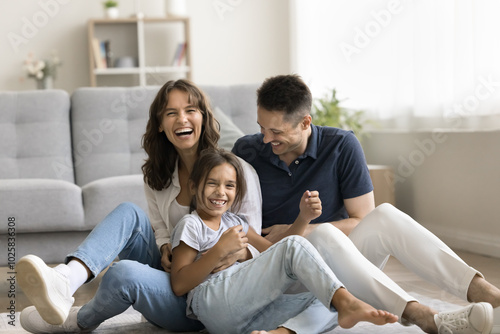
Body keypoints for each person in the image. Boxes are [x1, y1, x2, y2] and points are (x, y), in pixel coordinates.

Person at [233, 74, 499, 334]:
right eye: (261, 128)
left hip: (340, 265)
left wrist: (300, 228)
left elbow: (363, 221)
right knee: (325, 232)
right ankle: (422, 315)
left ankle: (486, 294)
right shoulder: (247, 150)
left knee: (384, 215)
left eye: (276, 131)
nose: (266, 139)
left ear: (305, 122)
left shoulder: (340, 145)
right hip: (281, 270)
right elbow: (231, 219)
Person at [15, 79, 262, 333]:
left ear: (204, 117)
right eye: (171, 113)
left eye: (190, 110)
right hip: (170, 276)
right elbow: (160, 228)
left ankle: (77, 322)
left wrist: (232, 252)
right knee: (128, 212)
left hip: (204, 299)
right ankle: (66, 279)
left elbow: (256, 245)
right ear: (159, 125)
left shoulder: (237, 173)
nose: (182, 119)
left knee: (123, 274)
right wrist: (165, 245)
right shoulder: (157, 174)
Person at [170, 147, 399, 334]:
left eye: (229, 185)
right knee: (325, 283)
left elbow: (276, 253)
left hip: (244, 316)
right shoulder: (191, 224)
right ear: (193, 186)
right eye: (212, 183)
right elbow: (179, 285)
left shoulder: (236, 222)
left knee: (324, 297)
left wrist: (304, 217)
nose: (221, 192)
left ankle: (283, 332)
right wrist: (218, 251)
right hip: (212, 302)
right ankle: (346, 301)